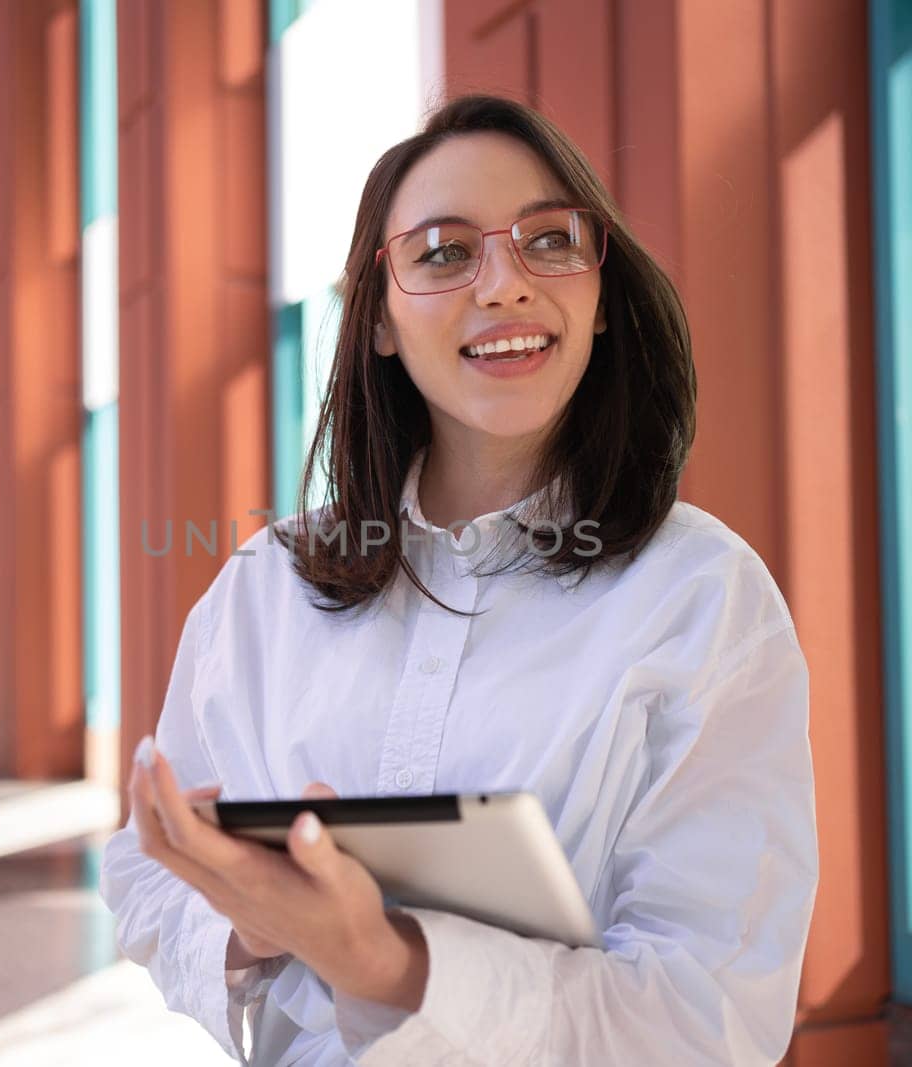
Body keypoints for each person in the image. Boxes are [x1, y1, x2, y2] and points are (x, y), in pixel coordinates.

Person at [99, 95, 817, 1066]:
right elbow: (145, 874)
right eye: (442, 252)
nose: (505, 283)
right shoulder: (263, 589)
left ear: (601, 297)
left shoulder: (702, 596)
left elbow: (703, 1017)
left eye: (549, 241)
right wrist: (256, 921)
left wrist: (390, 961)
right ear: (381, 316)